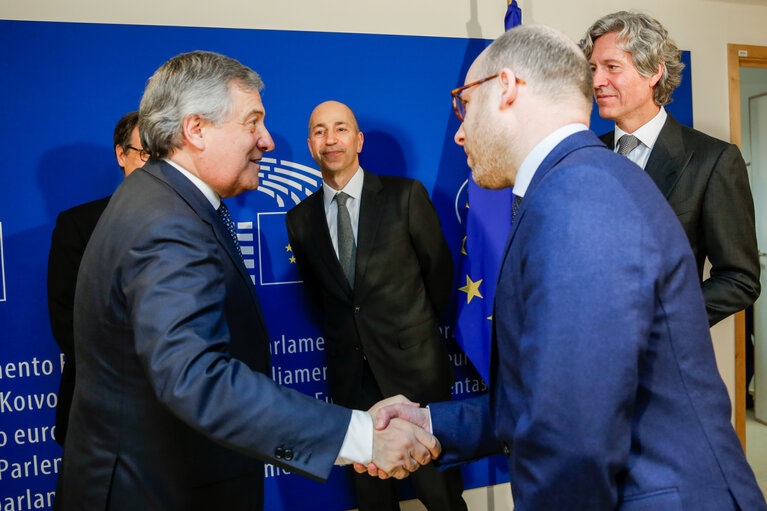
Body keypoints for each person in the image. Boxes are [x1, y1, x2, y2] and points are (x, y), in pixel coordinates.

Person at [366, 24, 767, 510]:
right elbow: (553, 395)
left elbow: (571, 440)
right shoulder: (574, 181)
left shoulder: (579, 197)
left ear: (508, 88)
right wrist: (430, 423)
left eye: (464, 104)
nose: (460, 130)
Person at [54, 51, 438, 511]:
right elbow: (197, 378)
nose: (268, 141)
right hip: (158, 491)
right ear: (196, 129)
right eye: (252, 122)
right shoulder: (165, 221)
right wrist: (357, 437)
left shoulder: (163, 200)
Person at [285, 100, 466, 511]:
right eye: (319, 131)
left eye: (341, 128)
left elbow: (438, 273)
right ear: (311, 146)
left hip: (416, 377)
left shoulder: (405, 197)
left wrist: (410, 336)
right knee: (371, 501)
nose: (330, 139)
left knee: (441, 496)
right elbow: (325, 299)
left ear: (358, 140)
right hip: (353, 383)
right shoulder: (299, 220)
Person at [582, 11, 760, 327]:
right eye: (593, 68)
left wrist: (660, 322)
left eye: (611, 67)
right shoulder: (585, 154)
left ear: (654, 72)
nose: (596, 81)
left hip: (662, 361)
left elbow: (739, 280)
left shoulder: (713, 160)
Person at [47, 111, 148, 446]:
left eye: (163, 154)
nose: (156, 165)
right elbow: (68, 322)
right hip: (102, 410)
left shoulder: (198, 220)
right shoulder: (78, 225)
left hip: (180, 410)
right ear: (121, 154)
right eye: (145, 153)